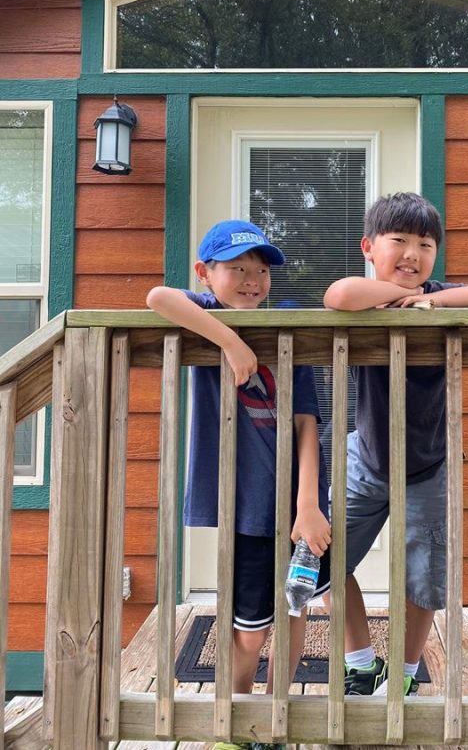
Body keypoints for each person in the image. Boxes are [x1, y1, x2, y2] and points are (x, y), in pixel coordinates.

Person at [323, 192, 468, 696]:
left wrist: (434, 302)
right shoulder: (367, 294)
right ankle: (360, 662)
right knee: (321, 562)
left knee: (424, 579)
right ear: (369, 247)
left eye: (425, 244)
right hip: (367, 456)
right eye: (398, 241)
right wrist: (392, 297)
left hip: (430, 462)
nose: (412, 254)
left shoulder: (436, 294)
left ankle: (399, 674)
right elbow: (338, 296)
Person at [147, 219, 331, 750]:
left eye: (260, 269)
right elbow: (158, 295)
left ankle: (279, 711)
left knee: (297, 608)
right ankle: (236, 721)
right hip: (244, 504)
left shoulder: (288, 324)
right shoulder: (204, 318)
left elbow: (305, 423)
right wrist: (229, 340)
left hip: (298, 505)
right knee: (249, 627)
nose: (251, 279)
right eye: (236, 268)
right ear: (206, 274)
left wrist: (308, 503)